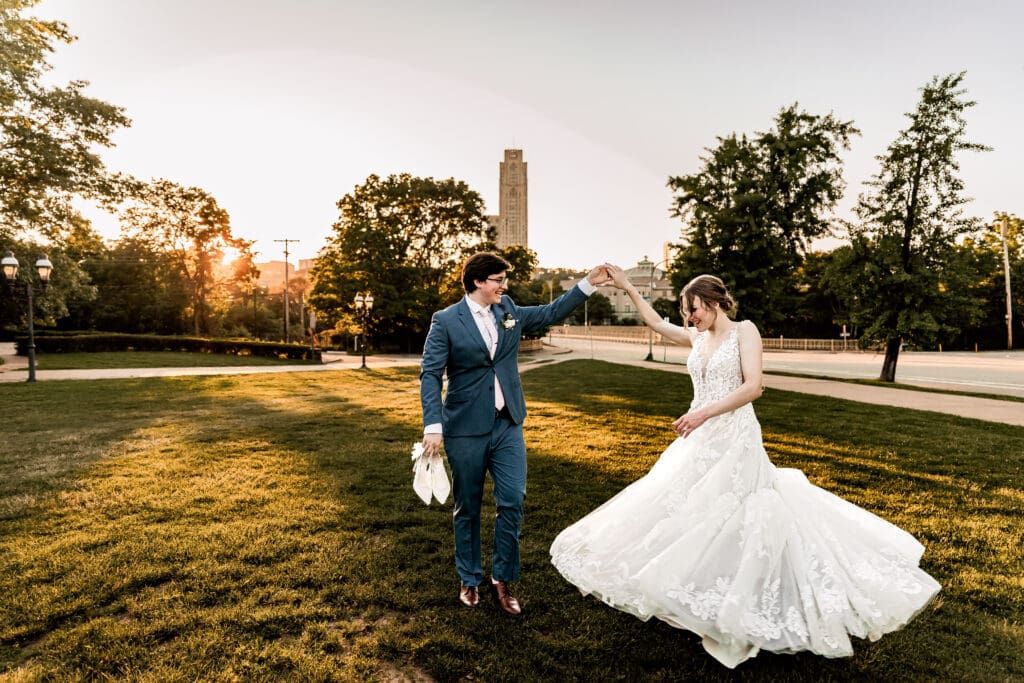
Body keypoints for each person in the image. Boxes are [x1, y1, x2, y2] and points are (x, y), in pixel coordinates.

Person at [550, 267, 940, 668]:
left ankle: (738, 596)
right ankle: (697, 585)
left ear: (716, 303)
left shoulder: (745, 332)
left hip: (734, 437)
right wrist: (628, 287)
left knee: (733, 513)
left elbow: (753, 386)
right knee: (687, 510)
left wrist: (703, 414)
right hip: (698, 439)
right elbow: (655, 323)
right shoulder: (697, 336)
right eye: (687, 312)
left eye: (695, 309)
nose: (691, 318)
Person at [421, 252, 611, 615]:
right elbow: (430, 374)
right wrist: (434, 425)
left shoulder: (506, 309)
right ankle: (470, 578)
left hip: (508, 423)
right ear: (478, 282)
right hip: (464, 429)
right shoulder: (445, 321)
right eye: (498, 279)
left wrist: (587, 283)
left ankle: (502, 580)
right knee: (468, 507)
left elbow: (550, 312)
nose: (503, 285)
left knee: (512, 500)